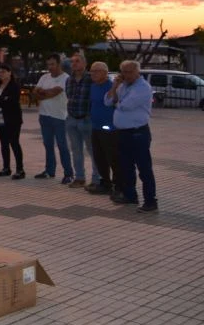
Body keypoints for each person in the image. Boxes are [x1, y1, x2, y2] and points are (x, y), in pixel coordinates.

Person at [105, 60, 157, 212]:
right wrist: (114, 87)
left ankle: (150, 200)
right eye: (124, 72)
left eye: (129, 72)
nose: (126, 75)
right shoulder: (122, 86)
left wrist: (116, 99)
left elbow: (125, 105)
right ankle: (130, 195)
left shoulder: (143, 87)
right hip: (123, 133)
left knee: (144, 168)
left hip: (138, 133)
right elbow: (108, 101)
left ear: (137, 72)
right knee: (126, 167)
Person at [32, 54, 73, 184]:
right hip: (44, 116)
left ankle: (68, 173)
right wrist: (44, 93)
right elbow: (35, 94)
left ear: (59, 64)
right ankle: (49, 171)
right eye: (48, 64)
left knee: (62, 146)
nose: (50, 67)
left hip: (59, 117)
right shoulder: (44, 77)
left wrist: (43, 93)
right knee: (48, 145)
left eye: (52, 64)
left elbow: (54, 92)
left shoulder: (65, 78)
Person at [88, 62, 122, 196]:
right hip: (95, 127)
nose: (92, 74)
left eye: (96, 71)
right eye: (91, 71)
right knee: (99, 157)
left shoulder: (112, 87)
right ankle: (105, 182)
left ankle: (118, 184)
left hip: (110, 128)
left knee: (112, 157)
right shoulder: (93, 86)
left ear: (104, 72)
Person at [64, 53, 96, 189]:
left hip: (86, 119)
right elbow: (69, 96)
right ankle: (79, 177)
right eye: (72, 62)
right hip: (72, 119)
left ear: (84, 63)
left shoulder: (91, 79)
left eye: (77, 61)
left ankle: (96, 178)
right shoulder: (69, 79)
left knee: (92, 150)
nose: (74, 64)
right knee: (76, 150)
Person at [0, 64, 24, 179]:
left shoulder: (15, 86)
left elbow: (12, 101)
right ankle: (6, 168)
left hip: (12, 119)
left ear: (9, 72)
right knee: (3, 144)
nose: (1, 74)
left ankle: (20, 169)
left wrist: (0, 100)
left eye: (3, 71)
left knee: (14, 143)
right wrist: (2, 99)